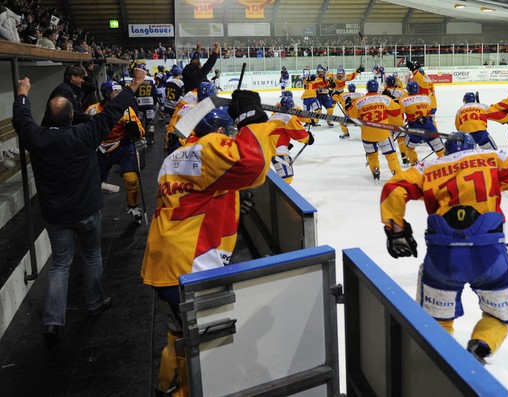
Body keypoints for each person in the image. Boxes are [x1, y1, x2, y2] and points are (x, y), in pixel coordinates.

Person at [141, 89, 300, 395]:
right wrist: (251, 118)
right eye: (225, 132)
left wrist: (234, 196)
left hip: (166, 266)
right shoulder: (206, 148)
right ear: (215, 131)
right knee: (204, 348)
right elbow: (250, 161)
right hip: (190, 267)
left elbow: (198, 195)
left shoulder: (177, 157)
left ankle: (168, 387)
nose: (228, 136)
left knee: (179, 337)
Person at [380, 132, 508, 364]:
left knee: (436, 322)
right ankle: (482, 345)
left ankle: (436, 363)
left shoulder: (428, 166)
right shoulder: (494, 157)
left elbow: (394, 187)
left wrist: (397, 232)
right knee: (500, 315)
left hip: (441, 255)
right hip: (489, 254)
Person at [13, 68, 147, 344]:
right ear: (71, 116)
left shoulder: (35, 137)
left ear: (48, 117)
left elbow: (21, 118)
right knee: (92, 256)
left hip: (55, 215)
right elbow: (114, 111)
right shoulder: (85, 134)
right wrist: (134, 84)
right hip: (86, 210)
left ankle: (52, 321)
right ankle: (95, 302)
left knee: (61, 264)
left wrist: (23, 92)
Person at [85, 80, 145, 224]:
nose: (118, 94)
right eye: (115, 92)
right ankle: (93, 208)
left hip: (122, 145)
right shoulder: (92, 110)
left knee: (131, 178)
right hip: (100, 147)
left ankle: (134, 206)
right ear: (106, 94)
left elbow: (141, 132)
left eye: (119, 91)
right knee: (93, 182)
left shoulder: (127, 110)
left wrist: (135, 130)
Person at [345, 79, 403, 182]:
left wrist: (347, 106)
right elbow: (396, 111)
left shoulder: (359, 101)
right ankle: (396, 173)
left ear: (367, 88)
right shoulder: (384, 98)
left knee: (372, 155)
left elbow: (352, 116)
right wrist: (392, 98)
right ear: (377, 88)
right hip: (383, 133)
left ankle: (375, 170)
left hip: (367, 134)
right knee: (391, 155)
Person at [270, 95, 314, 184]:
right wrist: (308, 138)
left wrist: (285, 143)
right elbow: (299, 135)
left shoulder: (274, 115)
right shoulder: (288, 117)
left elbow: (276, 131)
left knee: (283, 172)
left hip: (267, 149)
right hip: (278, 151)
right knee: (286, 179)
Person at [400, 80, 444, 165]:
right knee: (439, 148)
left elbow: (399, 113)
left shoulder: (403, 100)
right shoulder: (426, 98)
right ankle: (446, 162)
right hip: (429, 126)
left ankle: (414, 162)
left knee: (409, 147)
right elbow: (430, 111)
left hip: (415, 128)